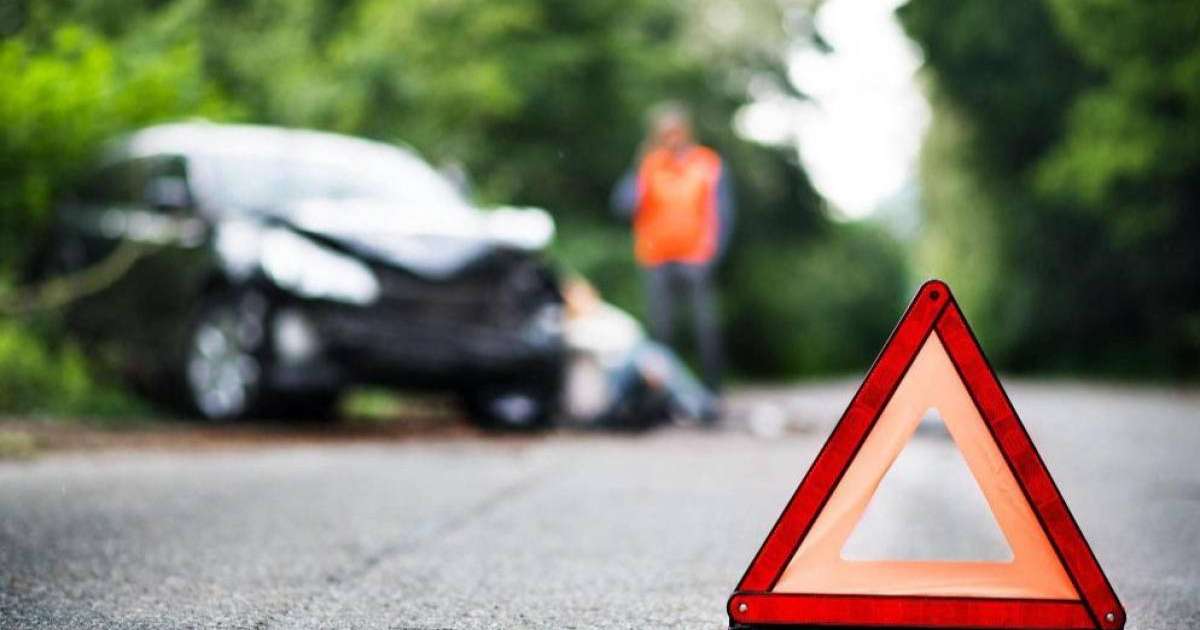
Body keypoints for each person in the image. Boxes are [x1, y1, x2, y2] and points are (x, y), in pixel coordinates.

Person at [611, 102, 734, 392]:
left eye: (676, 131)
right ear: (656, 136)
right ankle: (665, 394)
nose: (671, 138)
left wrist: (713, 254)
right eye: (665, 133)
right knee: (661, 330)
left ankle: (712, 390)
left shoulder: (708, 163)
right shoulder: (649, 165)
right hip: (656, 257)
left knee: (706, 327)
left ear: (687, 131)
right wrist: (638, 168)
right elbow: (623, 206)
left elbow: (724, 211)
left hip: (696, 257)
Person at [560, 277, 717, 427]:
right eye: (576, 296)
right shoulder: (567, 325)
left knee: (654, 355)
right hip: (611, 377)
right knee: (651, 355)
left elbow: (634, 331)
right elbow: (600, 346)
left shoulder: (605, 313)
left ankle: (691, 404)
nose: (581, 300)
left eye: (584, 295)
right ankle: (697, 403)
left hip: (633, 364)